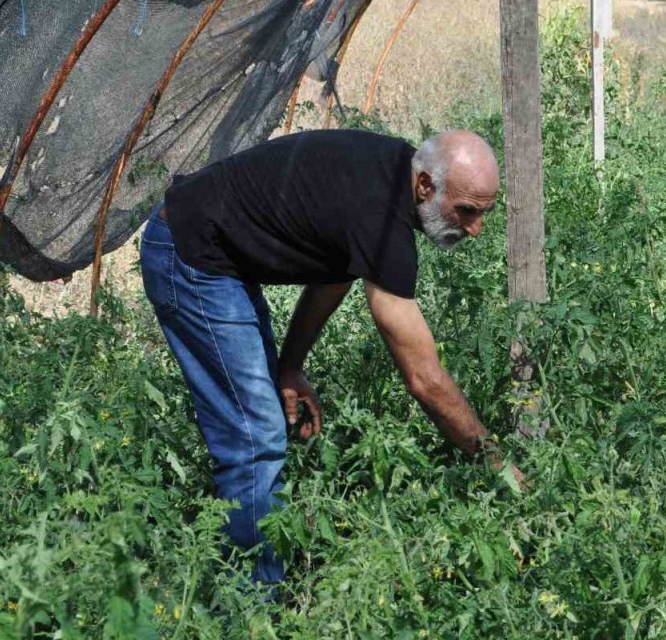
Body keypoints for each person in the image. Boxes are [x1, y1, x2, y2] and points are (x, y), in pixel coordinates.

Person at [138, 128, 523, 586]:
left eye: (484, 214)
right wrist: (495, 462)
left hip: (220, 252)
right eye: (466, 211)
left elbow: (336, 269)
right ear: (425, 185)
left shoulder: (388, 179)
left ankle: (259, 579)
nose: (475, 228)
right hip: (191, 254)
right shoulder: (378, 212)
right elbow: (424, 378)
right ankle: (252, 611)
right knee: (254, 435)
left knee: (260, 425)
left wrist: (291, 364)